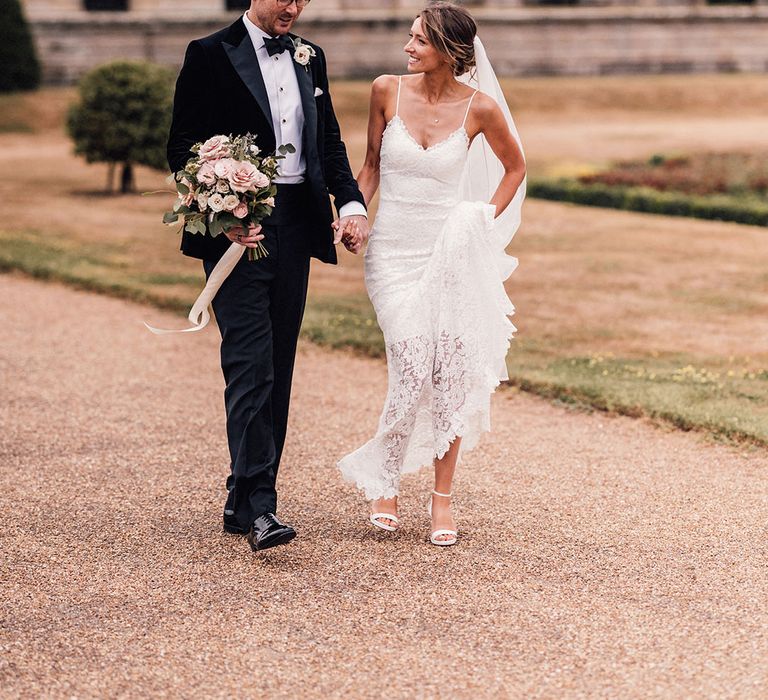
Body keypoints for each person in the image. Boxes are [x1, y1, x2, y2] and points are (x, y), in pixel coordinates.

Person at [167, 0, 369, 552]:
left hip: (296, 230)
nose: (296, 7)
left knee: (278, 363)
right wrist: (224, 211)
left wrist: (351, 204)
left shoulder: (311, 57)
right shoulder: (209, 55)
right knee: (250, 364)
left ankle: (242, 494)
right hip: (238, 234)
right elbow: (182, 149)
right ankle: (262, 507)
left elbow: (328, 143)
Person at [337, 1, 526, 546]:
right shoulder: (385, 90)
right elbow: (369, 167)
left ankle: (441, 499)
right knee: (414, 361)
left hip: (449, 251)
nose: (407, 47)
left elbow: (516, 168)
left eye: (418, 40)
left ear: (448, 50)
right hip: (392, 253)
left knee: (449, 373)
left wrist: (480, 219)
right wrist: (351, 215)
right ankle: (384, 480)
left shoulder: (482, 109)